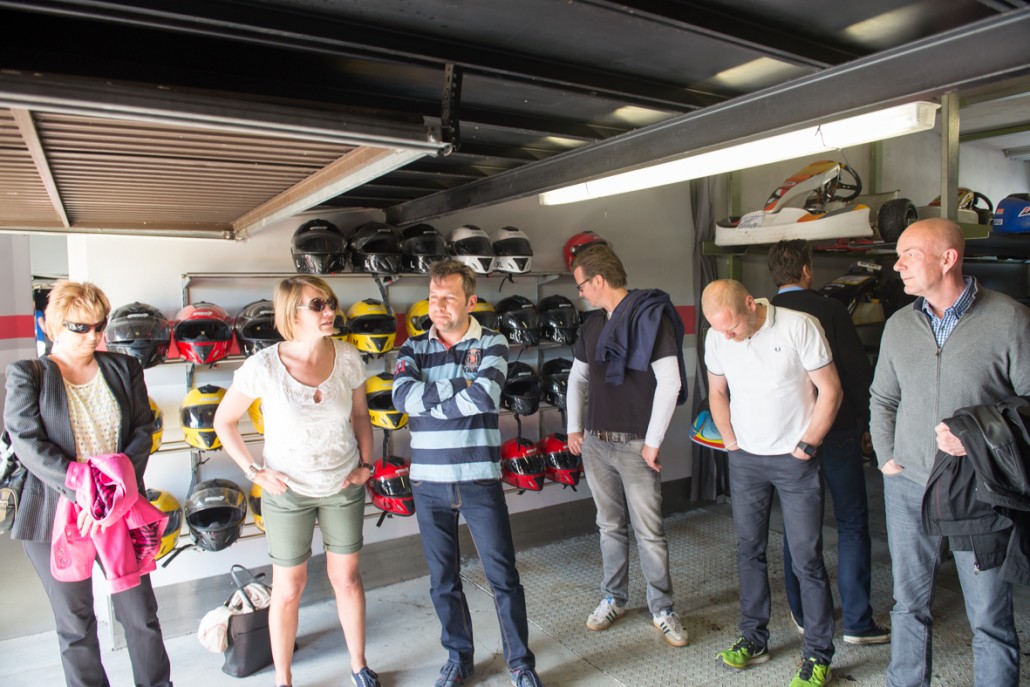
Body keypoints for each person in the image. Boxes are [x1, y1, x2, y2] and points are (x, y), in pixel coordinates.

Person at [869, 218, 1030, 687]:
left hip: (979, 488)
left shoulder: (1009, 319)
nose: (897, 266)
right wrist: (886, 456)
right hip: (908, 485)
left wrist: (975, 438)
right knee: (908, 604)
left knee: (989, 616)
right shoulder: (899, 325)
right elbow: (883, 398)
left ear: (947, 259)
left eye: (909, 255)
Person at [212, 275, 380, 687]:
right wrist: (254, 472)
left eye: (330, 303)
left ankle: (359, 665)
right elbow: (224, 421)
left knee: (347, 579)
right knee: (288, 588)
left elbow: (360, 415)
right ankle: (283, 679)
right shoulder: (264, 365)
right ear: (292, 313)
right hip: (287, 493)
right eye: (318, 305)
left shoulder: (347, 356)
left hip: (343, 485)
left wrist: (367, 465)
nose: (330, 311)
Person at [3, 280, 172, 687]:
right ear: (54, 325)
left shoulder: (124, 368)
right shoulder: (29, 374)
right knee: (75, 623)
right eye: (80, 327)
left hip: (119, 510)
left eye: (99, 326)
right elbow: (27, 442)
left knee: (141, 615)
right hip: (52, 512)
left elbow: (142, 432)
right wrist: (83, 489)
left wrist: (109, 496)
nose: (93, 336)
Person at [391, 259, 544, 687]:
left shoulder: (492, 342)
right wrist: (461, 384)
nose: (438, 306)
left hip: (478, 477)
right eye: (433, 297)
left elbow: (484, 397)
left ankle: (521, 664)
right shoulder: (412, 348)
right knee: (442, 580)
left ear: (471, 301)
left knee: (503, 577)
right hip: (428, 482)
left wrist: (432, 399)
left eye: (448, 298)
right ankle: (459, 659)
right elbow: (402, 399)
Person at [702, 278, 841, 687]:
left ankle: (817, 654)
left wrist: (808, 444)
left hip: (795, 461)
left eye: (731, 326)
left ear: (751, 304)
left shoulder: (799, 326)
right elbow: (716, 391)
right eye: (719, 329)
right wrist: (730, 441)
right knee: (749, 550)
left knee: (806, 559)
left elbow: (831, 390)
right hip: (746, 459)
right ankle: (754, 638)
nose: (727, 336)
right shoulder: (717, 336)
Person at [766, 239, 889, 645]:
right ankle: (857, 621)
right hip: (836, 431)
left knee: (798, 526)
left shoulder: (763, 314)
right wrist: (868, 423)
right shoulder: (832, 310)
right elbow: (856, 373)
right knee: (851, 522)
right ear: (806, 270)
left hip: (788, 437)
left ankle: (804, 615)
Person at [565, 242, 688, 647]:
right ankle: (614, 598)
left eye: (582, 284)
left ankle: (662, 609)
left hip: (636, 447)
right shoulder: (592, 325)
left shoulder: (652, 317)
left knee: (649, 532)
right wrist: (574, 427)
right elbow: (577, 378)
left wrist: (652, 443)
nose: (580, 292)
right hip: (597, 444)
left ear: (598, 280)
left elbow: (670, 382)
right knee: (609, 526)